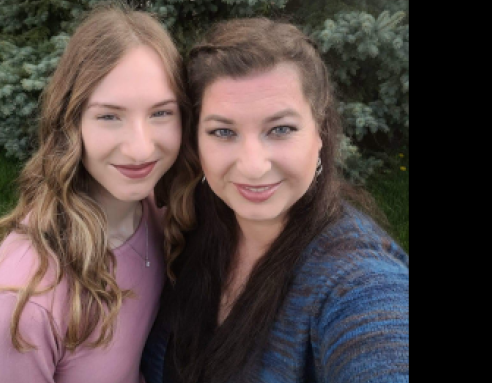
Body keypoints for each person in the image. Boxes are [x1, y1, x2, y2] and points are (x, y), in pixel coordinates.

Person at [141, 17, 409, 383]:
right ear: (197, 139)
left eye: (280, 129)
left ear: (321, 133)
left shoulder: (357, 282)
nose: (253, 166)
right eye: (223, 131)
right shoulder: (192, 226)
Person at [0, 4, 198, 383]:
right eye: (109, 116)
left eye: (161, 113)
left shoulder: (154, 209)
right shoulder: (21, 308)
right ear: (70, 122)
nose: (141, 149)